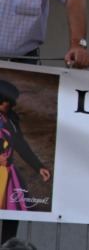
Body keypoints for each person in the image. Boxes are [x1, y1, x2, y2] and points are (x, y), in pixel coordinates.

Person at [0, 80, 51, 211]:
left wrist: (38, 167)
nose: (14, 104)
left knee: (11, 215)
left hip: (7, 173)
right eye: (9, 100)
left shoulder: (11, 119)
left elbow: (20, 144)